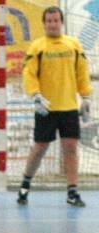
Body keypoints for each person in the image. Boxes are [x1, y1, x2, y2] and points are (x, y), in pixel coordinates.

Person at [17, 5, 92, 208]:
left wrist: (86, 97)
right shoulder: (37, 47)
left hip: (68, 107)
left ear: (61, 22)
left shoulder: (74, 45)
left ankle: (72, 192)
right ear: (44, 24)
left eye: (55, 20)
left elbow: (82, 72)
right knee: (40, 147)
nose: (52, 24)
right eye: (48, 21)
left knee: (70, 148)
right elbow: (29, 73)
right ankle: (25, 184)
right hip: (46, 108)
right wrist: (35, 95)